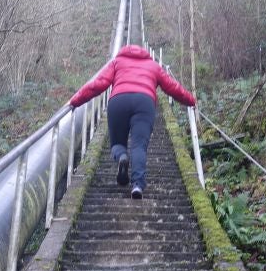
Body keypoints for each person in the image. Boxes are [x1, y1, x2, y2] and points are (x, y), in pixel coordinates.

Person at [69, 44, 197, 199]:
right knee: (139, 146)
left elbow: (98, 84)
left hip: (119, 101)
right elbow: (173, 87)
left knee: (117, 144)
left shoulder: (117, 62)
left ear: (124, 51)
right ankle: (137, 185)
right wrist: (191, 101)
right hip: (144, 102)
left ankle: (122, 156)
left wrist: (75, 101)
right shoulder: (153, 66)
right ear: (145, 53)